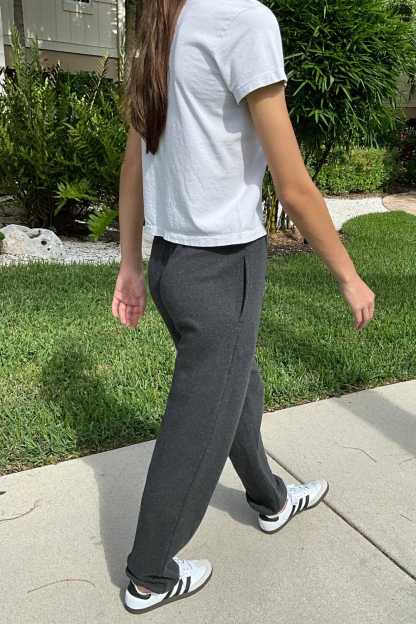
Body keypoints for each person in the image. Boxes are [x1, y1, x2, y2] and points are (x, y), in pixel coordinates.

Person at [112, 0, 375, 615]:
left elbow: (131, 168)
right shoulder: (245, 20)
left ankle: (270, 498)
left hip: (172, 263)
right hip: (223, 268)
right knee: (198, 420)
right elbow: (294, 185)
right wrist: (349, 275)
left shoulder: (162, 20)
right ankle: (149, 574)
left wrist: (131, 265)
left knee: (236, 386)